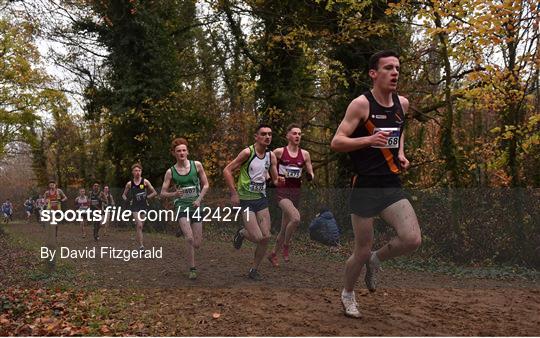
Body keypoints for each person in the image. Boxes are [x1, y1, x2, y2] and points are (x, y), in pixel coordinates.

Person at [330, 50, 421, 318]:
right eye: (388, 68)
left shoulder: (402, 104)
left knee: (412, 238)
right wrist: (368, 140)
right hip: (365, 186)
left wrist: (401, 154)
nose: (395, 73)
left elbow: (398, 133)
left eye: (397, 68)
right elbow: (337, 142)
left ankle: (377, 259)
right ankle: (348, 293)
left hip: (391, 183)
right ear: (373, 73)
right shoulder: (361, 105)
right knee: (361, 249)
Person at [223, 124, 280, 280]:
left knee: (266, 236)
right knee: (257, 237)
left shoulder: (271, 156)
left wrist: (279, 180)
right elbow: (227, 170)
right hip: (245, 200)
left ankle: (253, 270)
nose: (267, 137)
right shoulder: (248, 152)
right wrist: (233, 193)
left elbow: (274, 180)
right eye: (263, 134)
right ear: (256, 137)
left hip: (261, 199)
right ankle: (242, 232)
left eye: (270, 134)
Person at [161, 138, 209, 279]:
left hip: (196, 205)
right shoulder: (170, 172)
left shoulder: (197, 165)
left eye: (183, 150)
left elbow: (206, 185)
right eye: (178, 151)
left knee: (197, 243)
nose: (181, 153)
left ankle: (182, 230)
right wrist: (174, 194)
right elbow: (163, 193)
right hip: (181, 206)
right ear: (174, 154)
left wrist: (199, 199)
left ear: (187, 151)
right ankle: (192, 268)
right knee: (189, 239)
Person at [267, 123, 314, 267]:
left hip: (295, 194)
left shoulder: (305, 154)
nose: (297, 136)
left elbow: (311, 171)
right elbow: (265, 164)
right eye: (294, 133)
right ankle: (286, 246)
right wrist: (271, 179)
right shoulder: (279, 152)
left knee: (284, 228)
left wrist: (310, 175)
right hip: (282, 193)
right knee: (296, 218)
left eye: (299, 134)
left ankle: (273, 254)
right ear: (287, 135)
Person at [122, 163, 157, 249]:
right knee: (140, 225)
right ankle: (141, 246)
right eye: (136, 171)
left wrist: (147, 197)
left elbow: (154, 192)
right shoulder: (129, 184)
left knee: (140, 226)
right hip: (134, 206)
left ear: (141, 172)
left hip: (144, 206)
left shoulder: (145, 181)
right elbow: (123, 195)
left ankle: (138, 238)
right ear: (132, 172)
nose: (138, 172)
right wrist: (127, 200)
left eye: (139, 170)